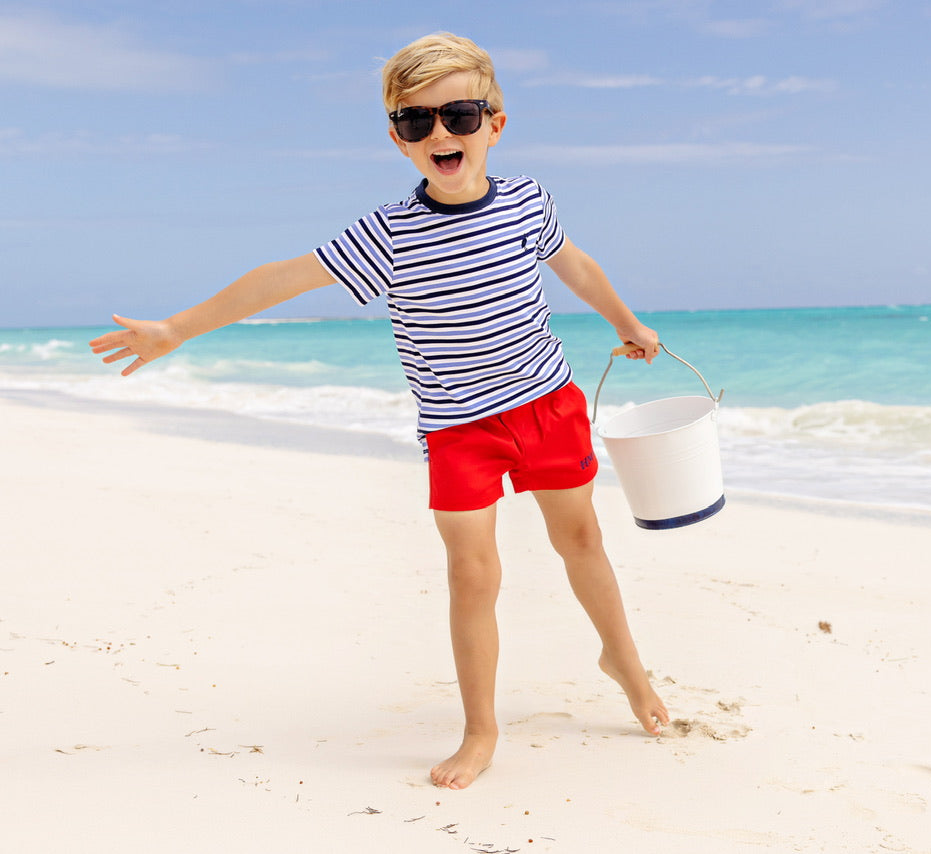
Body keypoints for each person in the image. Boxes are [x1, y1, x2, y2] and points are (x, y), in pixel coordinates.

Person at [89, 31, 669, 790]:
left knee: (583, 539)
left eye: (459, 115)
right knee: (472, 573)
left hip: (546, 403)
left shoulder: (528, 200)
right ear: (397, 139)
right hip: (458, 430)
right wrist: (174, 329)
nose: (440, 134)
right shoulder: (389, 234)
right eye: (416, 121)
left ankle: (621, 658)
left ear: (495, 123)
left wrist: (625, 322)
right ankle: (480, 728)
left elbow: (575, 265)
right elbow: (280, 280)